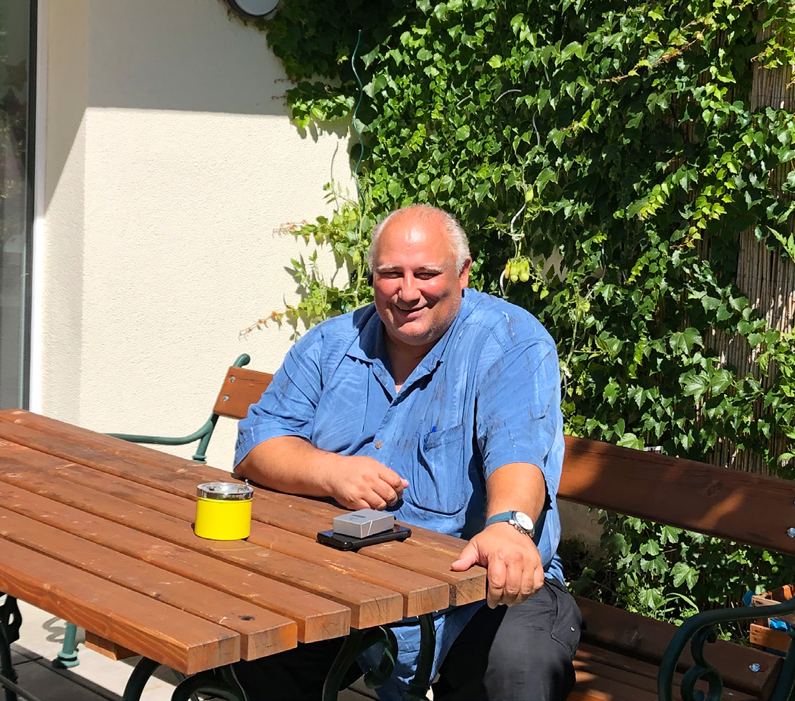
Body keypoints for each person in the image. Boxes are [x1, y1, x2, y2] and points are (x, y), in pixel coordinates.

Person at [233, 205, 580, 701]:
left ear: (463, 273)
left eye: (427, 273)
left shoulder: (509, 341)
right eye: (391, 273)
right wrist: (330, 471)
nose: (408, 291)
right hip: (347, 578)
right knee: (255, 648)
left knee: (518, 672)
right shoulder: (331, 343)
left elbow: (518, 449)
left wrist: (510, 526)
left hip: (481, 585)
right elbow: (256, 446)